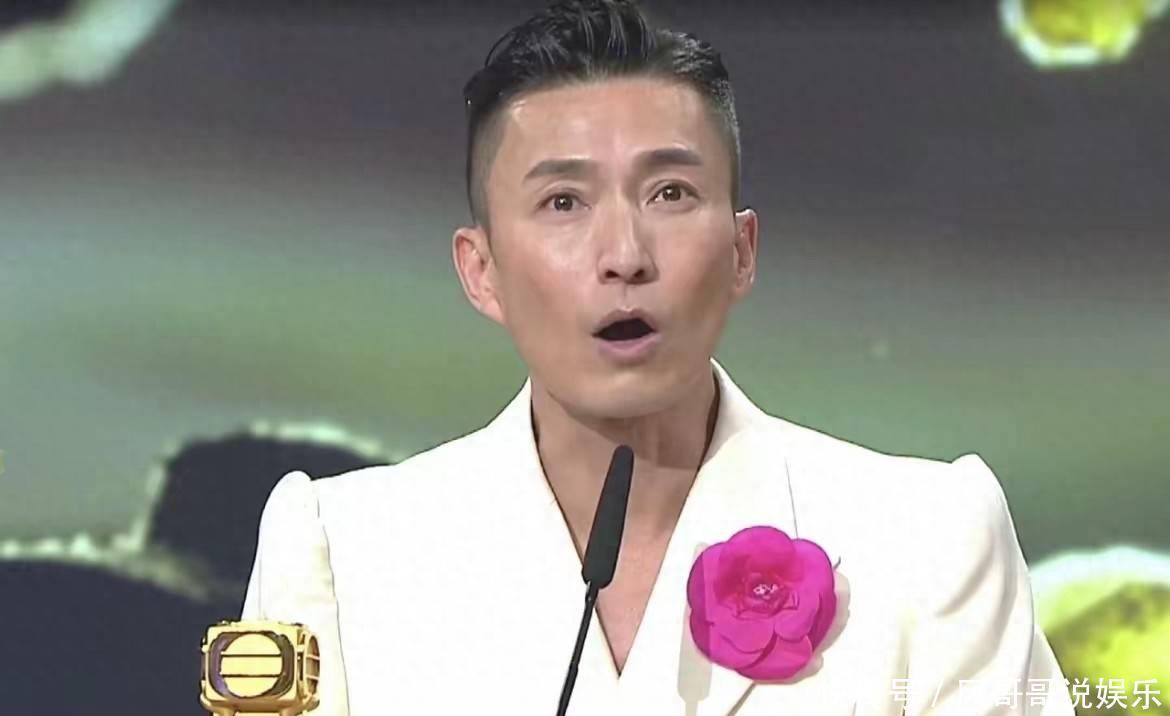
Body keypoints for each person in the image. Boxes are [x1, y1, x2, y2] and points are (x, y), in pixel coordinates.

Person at [241, 1, 1074, 713]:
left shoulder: (928, 539)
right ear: (481, 270)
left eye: (670, 193)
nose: (625, 255)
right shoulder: (341, 551)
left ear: (742, 251)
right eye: (562, 201)